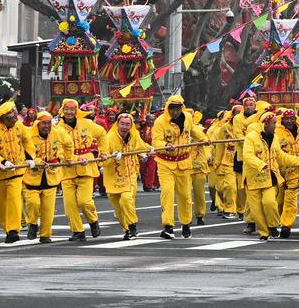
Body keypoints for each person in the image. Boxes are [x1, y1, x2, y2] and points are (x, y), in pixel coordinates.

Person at [151, 93, 204, 238]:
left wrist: (204, 138)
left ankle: (186, 224)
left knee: (185, 195)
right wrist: (165, 145)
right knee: (167, 193)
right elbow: (156, 141)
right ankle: (168, 226)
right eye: (172, 109)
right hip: (165, 162)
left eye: (178, 109)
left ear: (182, 108)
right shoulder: (160, 122)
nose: (175, 112)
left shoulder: (187, 117)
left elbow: (193, 130)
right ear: (168, 108)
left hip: (184, 162)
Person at [242, 110, 296, 242]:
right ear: (265, 124)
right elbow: (247, 156)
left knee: (270, 202)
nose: (275, 126)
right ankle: (264, 232)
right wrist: (260, 164)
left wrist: (298, 160)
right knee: (256, 209)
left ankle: (272, 225)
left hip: (269, 177)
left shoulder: (275, 137)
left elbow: (280, 156)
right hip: (253, 179)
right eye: (273, 123)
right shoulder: (251, 137)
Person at [57, 98, 105, 241]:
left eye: (72, 109)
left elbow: (102, 134)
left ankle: (93, 221)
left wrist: (103, 152)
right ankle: (78, 231)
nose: (69, 112)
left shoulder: (87, 123)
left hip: (86, 167)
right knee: (69, 205)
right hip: (67, 168)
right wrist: (67, 158)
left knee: (84, 201)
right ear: (62, 110)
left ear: (76, 110)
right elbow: (57, 148)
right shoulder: (57, 129)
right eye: (66, 109)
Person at [0, 100, 29, 243]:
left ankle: (13, 230)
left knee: (15, 200)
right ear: (4, 118)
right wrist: (1, 161)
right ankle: (7, 228)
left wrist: (30, 157)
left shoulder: (19, 125)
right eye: (11, 119)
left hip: (17, 170)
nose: (14, 121)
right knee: (1, 204)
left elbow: (27, 140)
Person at [100, 111, 146, 239]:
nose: (124, 127)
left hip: (130, 174)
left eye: (127, 124)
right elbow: (102, 160)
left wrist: (146, 152)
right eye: (122, 124)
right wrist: (112, 157)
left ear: (131, 126)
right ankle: (126, 229)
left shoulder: (134, 136)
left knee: (126, 199)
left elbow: (142, 147)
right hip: (113, 176)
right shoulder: (109, 138)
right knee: (118, 206)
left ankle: (132, 226)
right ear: (117, 124)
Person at [25, 111, 62, 243]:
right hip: (32, 176)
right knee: (33, 203)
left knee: (48, 209)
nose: (47, 126)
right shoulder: (29, 135)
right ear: (38, 123)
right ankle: (33, 223)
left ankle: (45, 234)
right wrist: (36, 161)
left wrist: (65, 158)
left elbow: (68, 144)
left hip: (51, 175)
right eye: (44, 123)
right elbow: (26, 151)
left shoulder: (58, 133)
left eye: (48, 123)